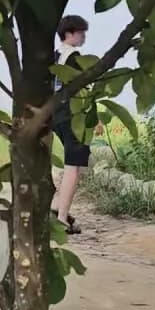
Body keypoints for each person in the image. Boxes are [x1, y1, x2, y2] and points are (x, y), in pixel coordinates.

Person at [51, 14, 89, 234]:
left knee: (73, 167)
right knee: (73, 167)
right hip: (73, 115)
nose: (83, 37)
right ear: (69, 33)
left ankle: (57, 207)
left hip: (57, 114)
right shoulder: (74, 57)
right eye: (81, 32)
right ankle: (62, 217)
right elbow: (81, 89)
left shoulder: (57, 56)